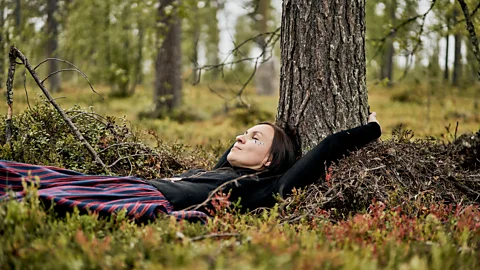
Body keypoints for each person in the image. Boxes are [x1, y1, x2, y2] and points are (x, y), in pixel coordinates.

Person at [0, 113, 381, 222]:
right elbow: (232, 152)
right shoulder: (228, 171)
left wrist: (371, 128)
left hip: (143, 197)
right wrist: (244, 142)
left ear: (269, 161)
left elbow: (328, 148)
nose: (241, 137)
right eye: (244, 132)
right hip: (131, 183)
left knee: (43, 195)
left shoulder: (268, 187)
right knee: (36, 175)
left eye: (256, 138)